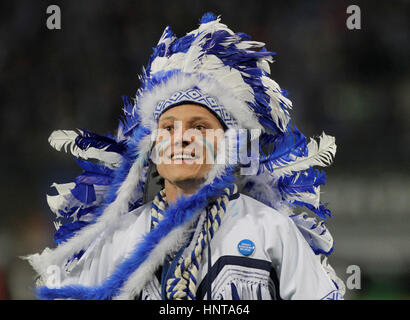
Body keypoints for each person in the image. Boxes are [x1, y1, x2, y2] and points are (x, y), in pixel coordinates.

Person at [24, 13, 345, 300]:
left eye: (199, 126)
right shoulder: (116, 241)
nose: (182, 138)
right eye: (169, 127)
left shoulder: (271, 230)